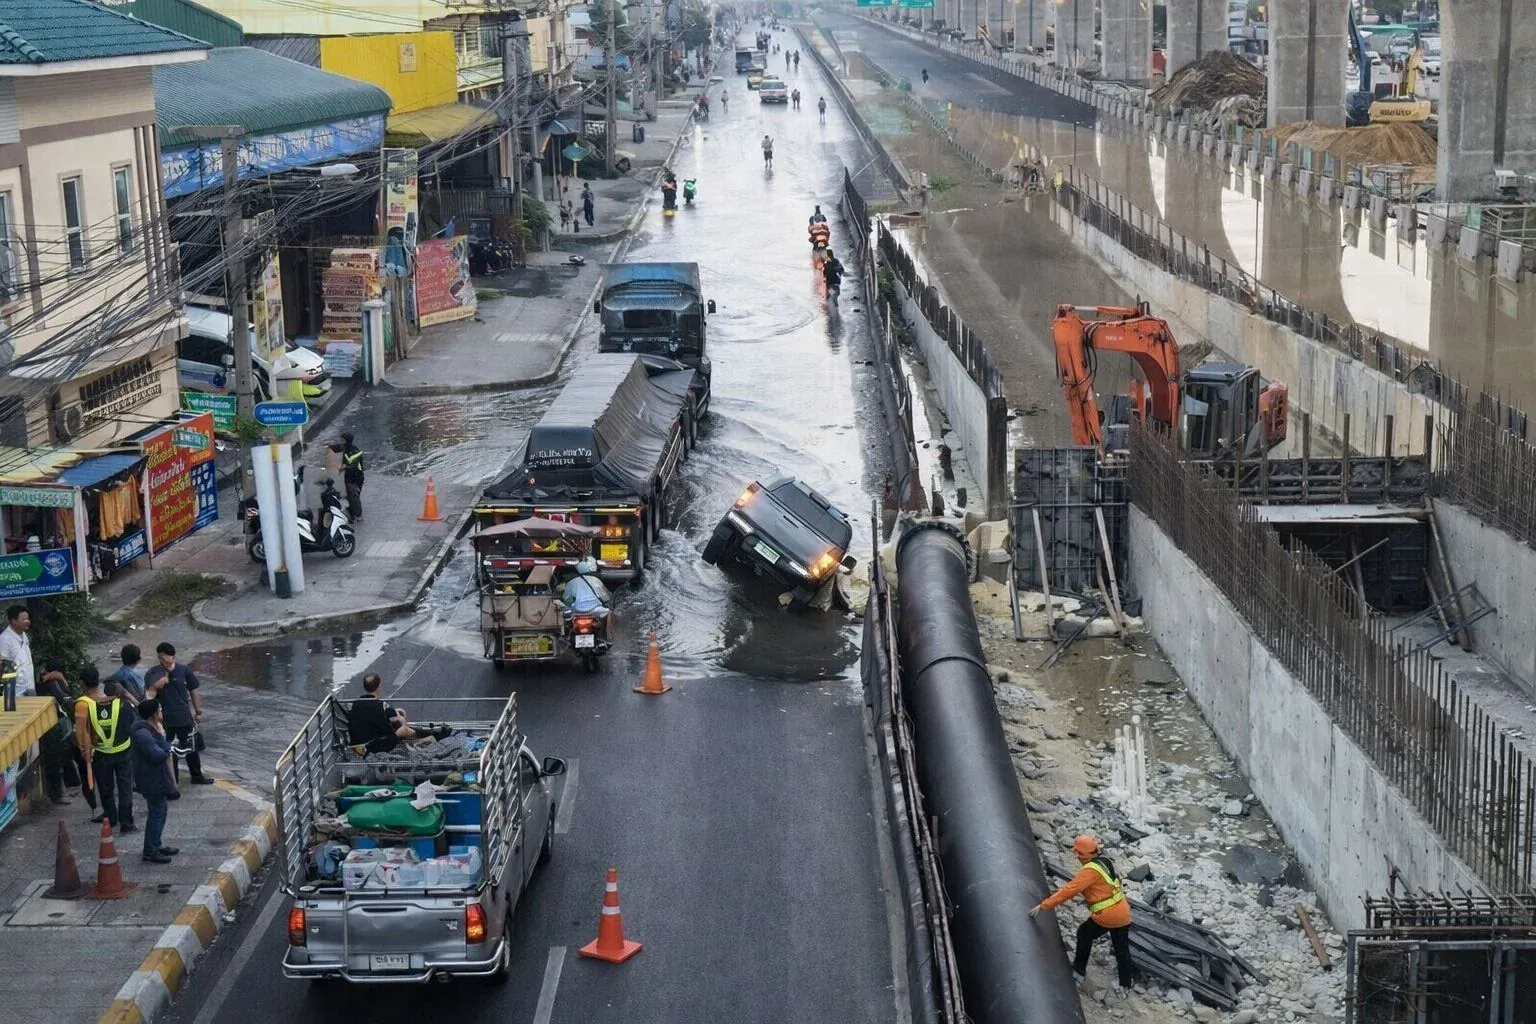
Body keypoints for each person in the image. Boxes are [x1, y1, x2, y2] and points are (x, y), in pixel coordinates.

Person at [1031, 834, 1135, 990]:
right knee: (1121, 948)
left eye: (1077, 854)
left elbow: (1070, 890)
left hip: (1107, 915)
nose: (1076, 857)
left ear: (1081, 854)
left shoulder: (1089, 871)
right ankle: (1125, 983)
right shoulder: (1104, 861)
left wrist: (1044, 905)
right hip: (1122, 912)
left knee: (1084, 933)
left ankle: (1078, 970)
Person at [144, 642, 213, 785]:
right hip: (166, 720)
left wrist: (198, 711)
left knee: (191, 748)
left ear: (173, 657)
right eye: (161, 659)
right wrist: (157, 685)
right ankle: (172, 779)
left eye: (166, 658)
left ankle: (196, 776)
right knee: (170, 750)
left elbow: (193, 691)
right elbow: (149, 695)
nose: (164, 662)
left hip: (185, 717)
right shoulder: (153, 673)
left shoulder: (184, 670)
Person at [80, 666, 136, 834]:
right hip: (123, 753)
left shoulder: (91, 707)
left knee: (106, 788)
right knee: (125, 787)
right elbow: (132, 723)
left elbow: (86, 732)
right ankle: (126, 822)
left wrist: (86, 750)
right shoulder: (124, 706)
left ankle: (110, 819)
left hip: (102, 755)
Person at [129, 698, 179, 864]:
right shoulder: (142, 733)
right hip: (150, 779)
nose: (161, 713)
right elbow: (157, 754)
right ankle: (150, 851)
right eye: (159, 710)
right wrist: (167, 746)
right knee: (156, 813)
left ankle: (156, 844)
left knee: (161, 811)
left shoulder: (150, 729)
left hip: (156, 777)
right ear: (153, 714)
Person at [347, 672, 447, 753]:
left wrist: (394, 712)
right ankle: (430, 739)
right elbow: (398, 724)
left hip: (357, 747)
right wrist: (400, 717)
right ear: (379, 685)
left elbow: (369, 715)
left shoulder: (353, 705)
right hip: (377, 745)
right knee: (404, 730)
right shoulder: (383, 706)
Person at [561, 558, 612, 627]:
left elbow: (566, 599)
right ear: (588, 569)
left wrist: (567, 610)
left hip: (577, 610)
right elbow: (605, 595)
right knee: (608, 611)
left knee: (567, 614)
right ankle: (606, 632)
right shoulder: (595, 580)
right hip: (596, 609)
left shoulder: (571, 582)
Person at [328, 432, 365, 522]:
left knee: (353, 495)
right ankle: (352, 511)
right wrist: (328, 447)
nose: (340, 442)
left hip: (355, 477)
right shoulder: (345, 447)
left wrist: (339, 470)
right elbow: (337, 448)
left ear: (347, 441)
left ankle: (357, 515)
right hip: (348, 476)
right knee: (350, 494)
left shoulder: (354, 452)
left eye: (342, 440)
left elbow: (348, 465)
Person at [0, 604, 34, 697]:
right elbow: (2, 665)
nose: (27, 621)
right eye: (23, 619)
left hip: (29, 686)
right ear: (13, 620)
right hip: (15, 692)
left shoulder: (24, 635)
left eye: (28, 619)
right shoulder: (4, 640)